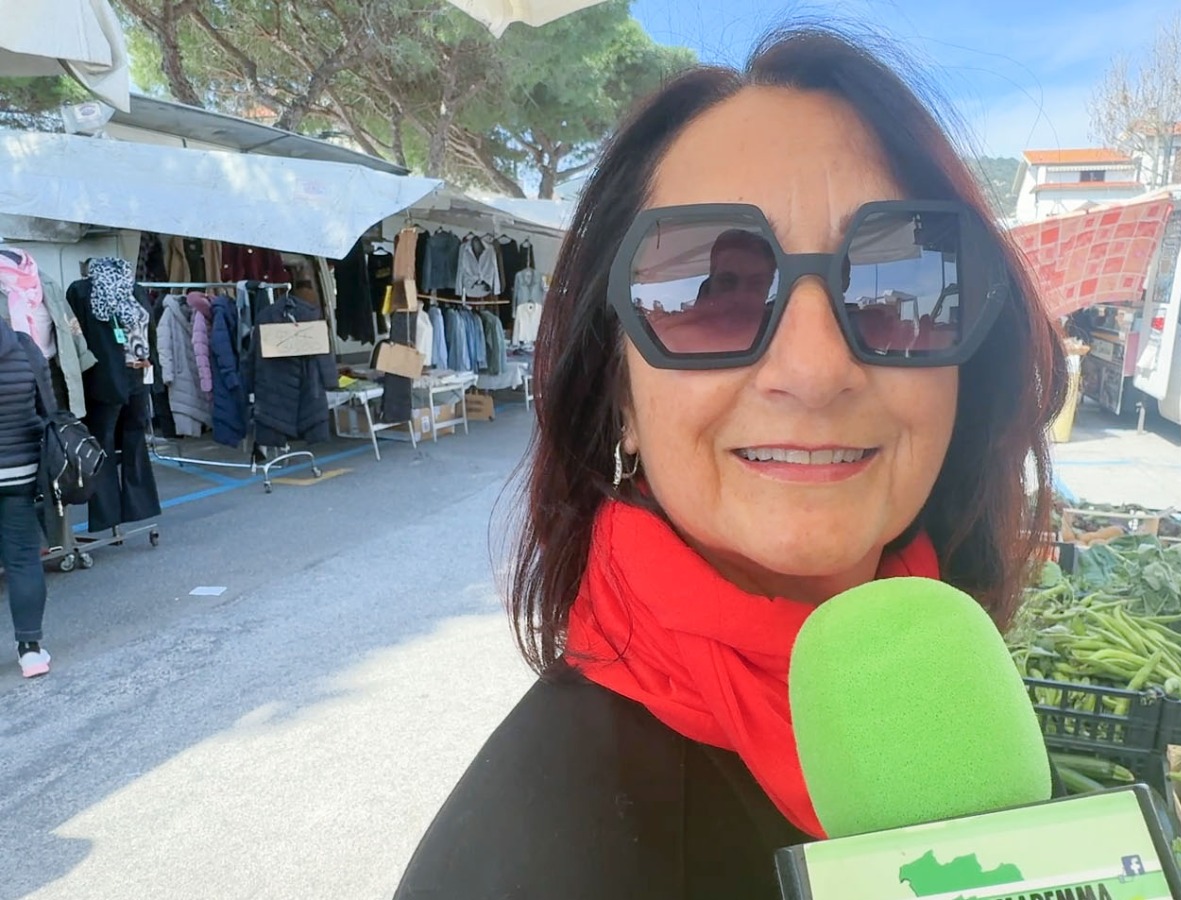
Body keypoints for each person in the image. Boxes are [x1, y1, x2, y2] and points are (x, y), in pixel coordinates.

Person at [393, 26, 1066, 900]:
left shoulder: (952, 694)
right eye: (710, 292)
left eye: (899, 285)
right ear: (621, 394)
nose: (815, 370)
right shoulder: (540, 862)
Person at [0, 310, 55, 677]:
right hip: (19, 472)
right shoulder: (23, 346)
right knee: (22, 560)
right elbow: (47, 408)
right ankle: (30, 650)